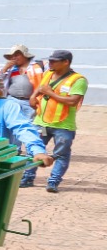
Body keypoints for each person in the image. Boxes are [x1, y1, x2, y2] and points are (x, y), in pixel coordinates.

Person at [22, 50, 86, 192]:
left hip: (63, 125)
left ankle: (53, 182)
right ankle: (27, 178)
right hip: (41, 121)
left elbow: (73, 101)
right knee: (33, 150)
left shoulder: (78, 80)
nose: (50, 63)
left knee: (61, 154)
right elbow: (41, 87)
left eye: (54, 61)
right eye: (50, 60)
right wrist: (33, 96)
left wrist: (50, 93)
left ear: (66, 62)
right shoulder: (48, 74)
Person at [0, 45, 43, 118]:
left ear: (25, 56)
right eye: (12, 56)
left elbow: (42, 83)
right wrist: (4, 69)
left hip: (29, 102)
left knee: (30, 122)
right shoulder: (10, 69)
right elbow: (0, 83)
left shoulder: (35, 67)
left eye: (16, 55)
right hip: (12, 100)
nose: (14, 58)